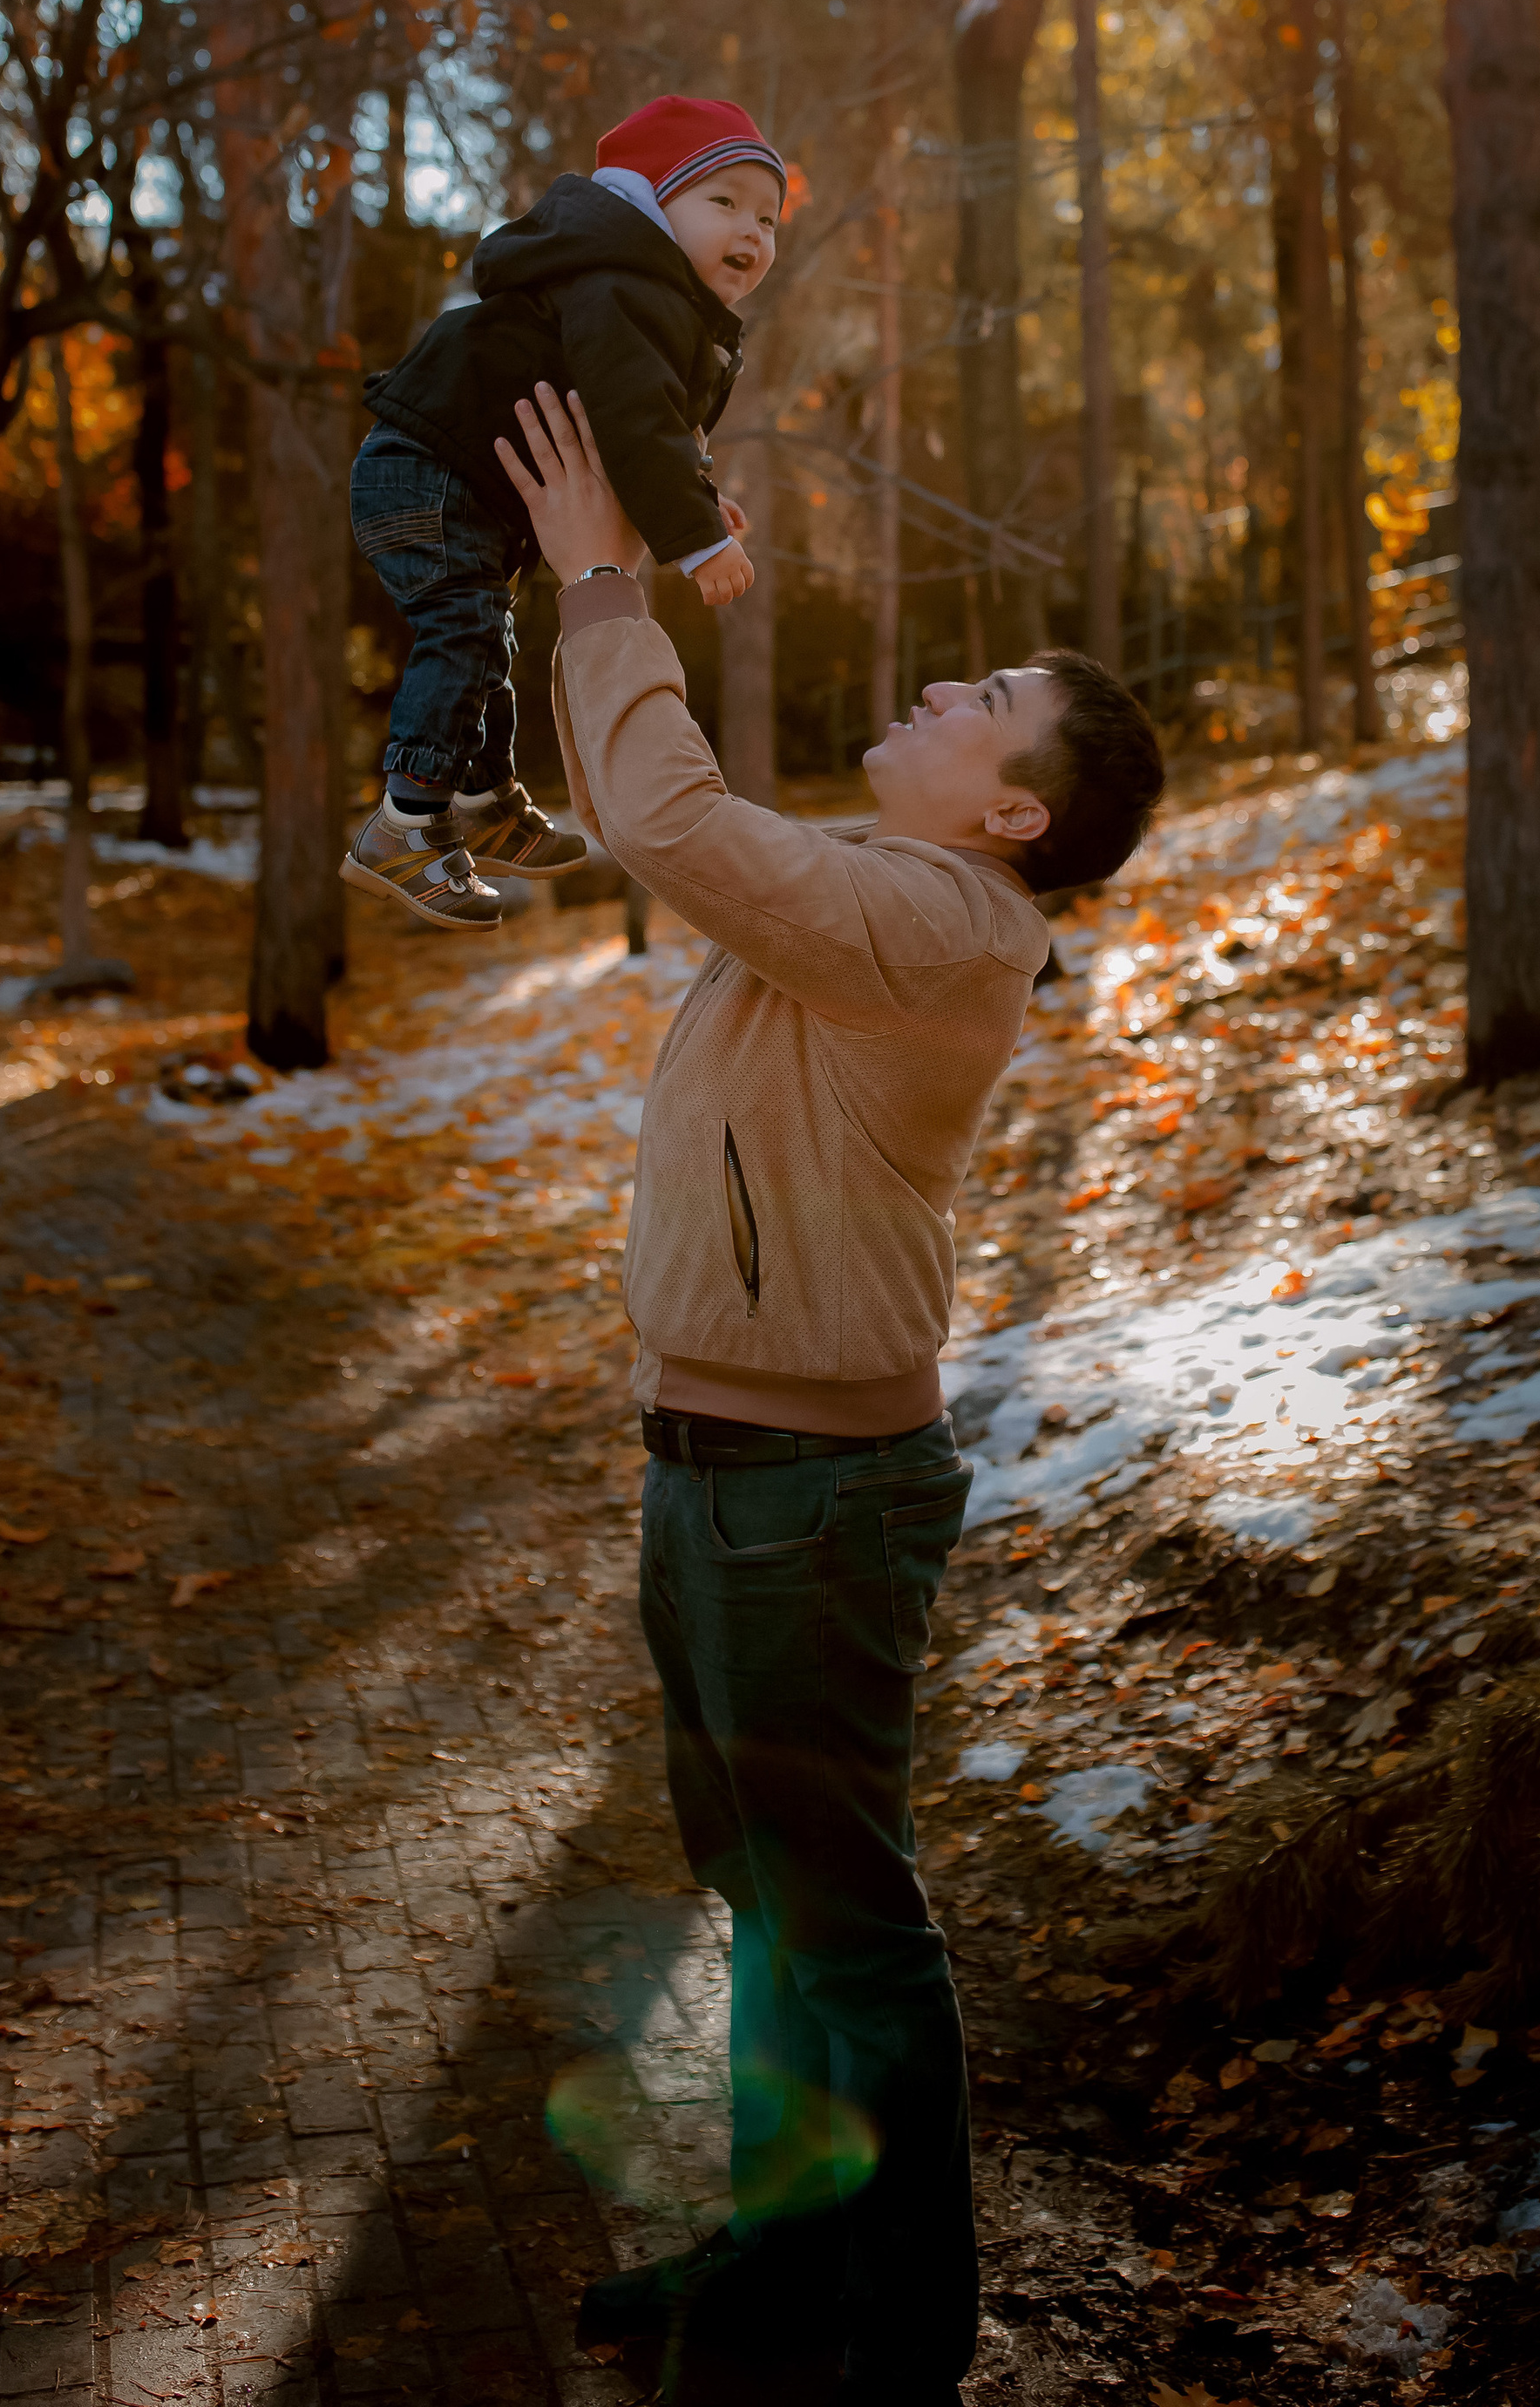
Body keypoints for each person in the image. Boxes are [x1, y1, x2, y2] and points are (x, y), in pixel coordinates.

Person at [493, 382, 1164, 2407]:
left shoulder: (943, 928)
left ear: (1012, 814)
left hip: (807, 1496)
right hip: (711, 1467)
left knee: (842, 1924)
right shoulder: (877, 901)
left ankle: (896, 2336)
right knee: (766, 1901)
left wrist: (598, 582)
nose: (944, 685)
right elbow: (682, 835)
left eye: (986, 698)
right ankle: (789, 2266)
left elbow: (668, 823)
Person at [340, 94, 786, 934]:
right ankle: (406, 821)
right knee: (466, 633)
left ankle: (484, 801)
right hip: (428, 473)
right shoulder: (623, 283)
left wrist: (693, 497)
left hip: (457, 481)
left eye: (768, 217)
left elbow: (641, 422)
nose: (752, 231)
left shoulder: (643, 294)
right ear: (651, 205)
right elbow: (632, 416)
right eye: (724, 201)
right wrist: (695, 541)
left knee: (488, 638)